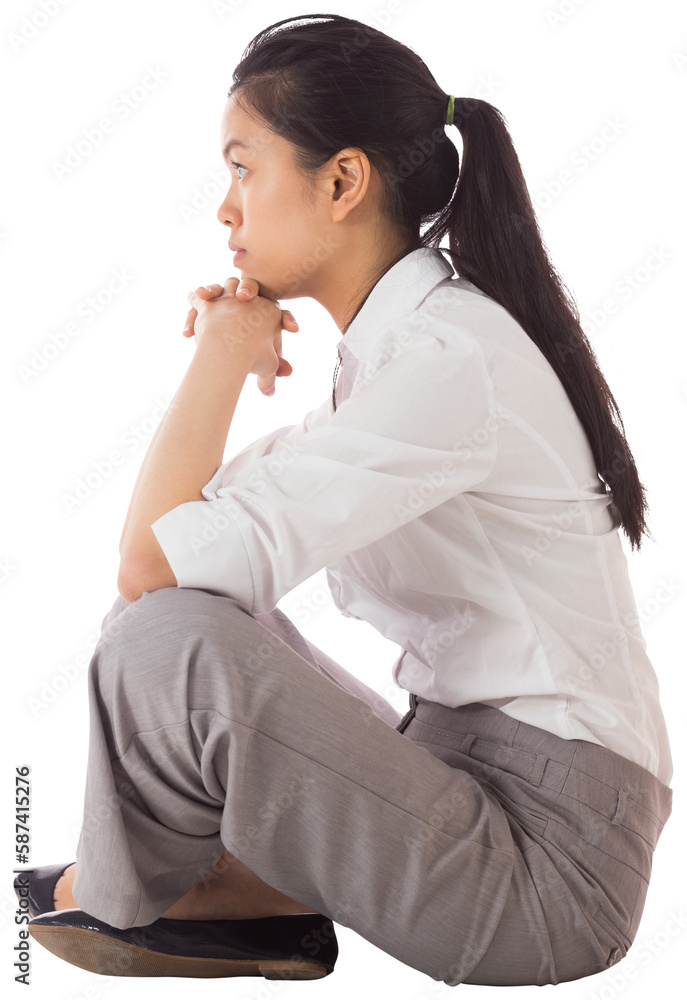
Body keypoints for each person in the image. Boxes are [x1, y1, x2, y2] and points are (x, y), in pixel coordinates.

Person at [19, 12, 673, 989]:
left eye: (244, 167)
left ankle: (151, 893)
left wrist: (219, 359)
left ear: (342, 182)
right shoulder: (399, 356)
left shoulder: (445, 359)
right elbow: (174, 550)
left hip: (556, 862)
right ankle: (226, 891)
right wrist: (228, 357)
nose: (226, 210)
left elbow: (149, 559)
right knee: (163, 620)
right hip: (461, 773)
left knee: (165, 638)